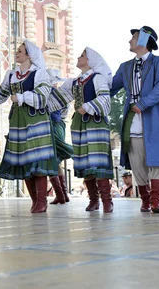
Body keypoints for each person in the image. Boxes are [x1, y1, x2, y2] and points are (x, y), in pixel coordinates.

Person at [0, 40, 58, 213]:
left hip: (36, 121)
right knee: (24, 161)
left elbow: (42, 98)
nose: (16, 53)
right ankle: (35, 201)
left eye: (20, 51)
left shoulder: (40, 74)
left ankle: (41, 201)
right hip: (17, 121)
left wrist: (21, 97)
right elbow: (0, 95)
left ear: (29, 55)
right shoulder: (11, 74)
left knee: (37, 160)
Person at [111, 26, 159, 213]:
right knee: (137, 162)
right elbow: (110, 87)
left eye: (134, 37)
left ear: (144, 40)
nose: (130, 40)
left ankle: (156, 201)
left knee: (156, 159)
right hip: (132, 120)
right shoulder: (125, 66)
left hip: (153, 118)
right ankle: (145, 199)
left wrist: (144, 103)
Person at [50, 47, 114, 212]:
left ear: (90, 60)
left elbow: (105, 99)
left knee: (98, 160)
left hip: (96, 122)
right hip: (79, 123)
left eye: (82, 55)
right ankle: (94, 199)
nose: (79, 57)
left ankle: (107, 200)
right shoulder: (75, 81)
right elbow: (58, 98)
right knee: (85, 160)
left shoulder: (98, 78)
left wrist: (87, 106)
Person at [46, 69, 73, 205]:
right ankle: (63, 194)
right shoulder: (62, 94)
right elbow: (64, 112)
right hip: (60, 125)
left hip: (51, 125)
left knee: (51, 159)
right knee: (55, 161)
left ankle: (61, 194)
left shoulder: (47, 93)